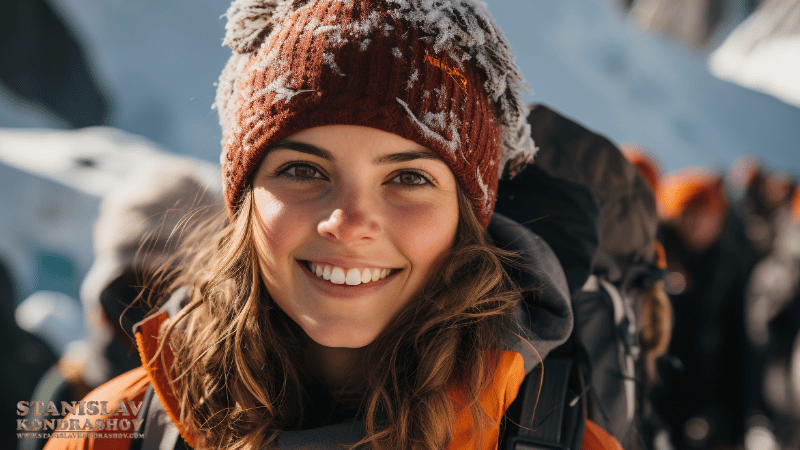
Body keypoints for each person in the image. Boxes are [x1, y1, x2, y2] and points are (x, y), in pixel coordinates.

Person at [43, 1, 624, 449]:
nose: (348, 224)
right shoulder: (113, 434)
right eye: (302, 170)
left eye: (409, 178)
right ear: (244, 201)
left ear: (467, 218)